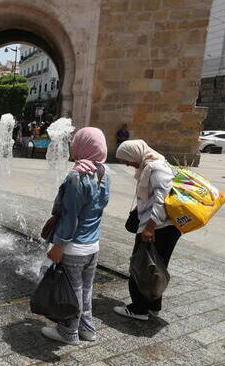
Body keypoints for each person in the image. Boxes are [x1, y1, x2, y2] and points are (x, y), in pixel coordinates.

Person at [41, 127, 110, 345]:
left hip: (74, 246)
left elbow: (71, 217)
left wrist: (59, 246)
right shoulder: (104, 174)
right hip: (93, 245)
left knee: (72, 290)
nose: (72, 145)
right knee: (86, 289)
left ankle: (68, 332)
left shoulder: (77, 177)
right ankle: (87, 329)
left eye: (76, 142)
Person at [113, 139, 180, 321]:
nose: (126, 163)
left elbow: (161, 199)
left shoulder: (157, 168)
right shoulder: (150, 166)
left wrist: (149, 228)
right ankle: (152, 306)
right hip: (164, 227)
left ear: (135, 153)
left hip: (159, 227)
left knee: (141, 265)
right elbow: (152, 195)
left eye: (126, 159)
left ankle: (139, 309)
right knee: (156, 267)